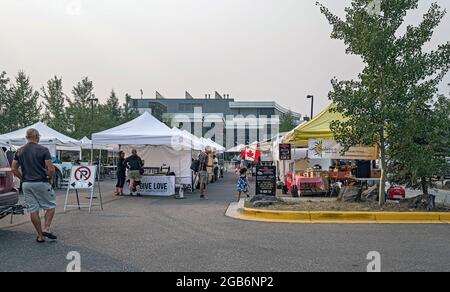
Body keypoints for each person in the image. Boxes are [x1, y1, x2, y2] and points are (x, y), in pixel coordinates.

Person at [11, 129, 57, 243]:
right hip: (41, 182)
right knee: (50, 206)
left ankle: (40, 236)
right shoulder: (43, 150)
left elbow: (13, 168)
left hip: (27, 184)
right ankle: (46, 228)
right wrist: (49, 178)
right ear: (36, 136)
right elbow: (51, 168)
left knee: (33, 210)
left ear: (27, 137)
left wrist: (22, 179)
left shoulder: (19, 151)